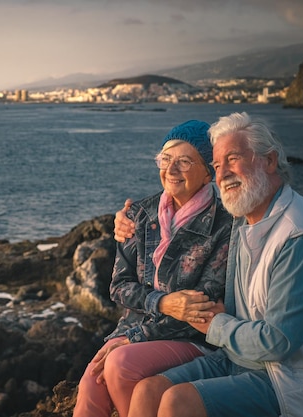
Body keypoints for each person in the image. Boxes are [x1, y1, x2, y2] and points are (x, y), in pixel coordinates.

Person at [115, 112, 303, 417]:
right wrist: (125, 222)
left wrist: (215, 325)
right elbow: (185, 211)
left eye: (233, 159)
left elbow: (279, 341)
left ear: (269, 161)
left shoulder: (300, 237)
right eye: (216, 165)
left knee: (178, 402)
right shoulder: (242, 221)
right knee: (148, 390)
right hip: (243, 358)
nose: (222, 173)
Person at [73, 120, 233, 417]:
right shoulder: (139, 215)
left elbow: (199, 309)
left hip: (190, 338)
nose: (171, 170)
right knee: (90, 384)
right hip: (134, 332)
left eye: (184, 161)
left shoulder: (223, 225)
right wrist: (161, 303)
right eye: (165, 159)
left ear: (208, 171)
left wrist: (133, 338)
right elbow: (119, 287)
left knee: (120, 365)